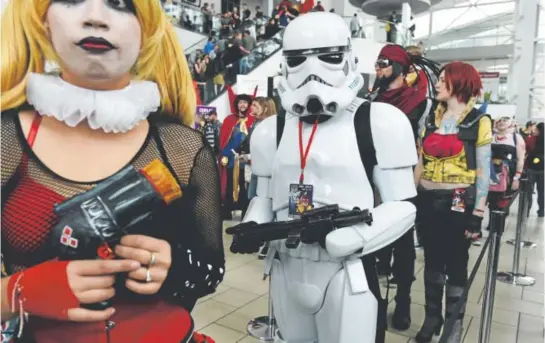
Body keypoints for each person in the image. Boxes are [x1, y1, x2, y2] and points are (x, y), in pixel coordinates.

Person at [0, 0, 225, 342]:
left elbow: (212, 270)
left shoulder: (183, 150)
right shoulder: (5, 143)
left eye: (121, 4)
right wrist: (17, 292)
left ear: (146, 29)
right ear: (41, 19)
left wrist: (176, 267)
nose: (95, 18)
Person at [228, 12, 418, 343]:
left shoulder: (380, 122)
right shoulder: (270, 131)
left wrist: (353, 237)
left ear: (349, 60)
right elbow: (266, 197)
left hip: (346, 270)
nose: (312, 71)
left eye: (328, 58)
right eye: (298, 59)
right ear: (284, 64)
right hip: (286, 267)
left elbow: (403, 206)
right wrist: (255, 225)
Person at [414, 62, 492, 343]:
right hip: (427, 200)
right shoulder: (432, 119)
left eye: (443, 80)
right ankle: (431, 316)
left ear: (459, 83)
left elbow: (484, 170)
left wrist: (478, 213)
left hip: (459, 200)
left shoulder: (478, 121)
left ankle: (453, 326)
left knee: (457, 263)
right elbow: (420, 163)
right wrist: (412, 199)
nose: (436, 84)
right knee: (431, 260)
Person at [368, 44, 435, 331]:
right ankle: (374, 301)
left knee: (404, 248)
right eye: (377, 63)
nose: (378, 69)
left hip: (405, 182)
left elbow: (421, 146)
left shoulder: (419, 101)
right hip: (371, 182)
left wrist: (415, 183)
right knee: (372, 245)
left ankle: (403, 301)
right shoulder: (370, 100)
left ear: (396, 66)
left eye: (383, 63)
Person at [218, 86, 256, 220]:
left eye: (245, 102)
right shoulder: (229, 120)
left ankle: (245, 210)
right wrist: (224, 155)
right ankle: (227, 210)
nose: (242, 105)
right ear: (236, 104)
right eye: (240, 102)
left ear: (249, 105)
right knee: (229, 185)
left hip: (245, 161)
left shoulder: (253, 121)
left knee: (244, 185)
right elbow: (223, 140)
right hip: (231, 159)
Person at [485, 117, 525, 232]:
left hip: (507, 175)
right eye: (499, 121)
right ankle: (491, 227)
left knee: (501, 203)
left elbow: (520, 159)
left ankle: (497, 231)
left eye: (505, 120)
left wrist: (517, 177)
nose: (501, 123)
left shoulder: (516, 138)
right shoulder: (490, 136)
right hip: (489, 173)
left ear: (510, 124)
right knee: (490, 202)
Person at [527, 122, 544, 217]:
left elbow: (526, 149)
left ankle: (527, 210)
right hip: (543, 170)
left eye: (536, 130)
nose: (535, 131)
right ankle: (541, 211)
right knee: (542, 192)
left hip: (531, 169)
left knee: (529, 191)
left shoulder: (531, 139)